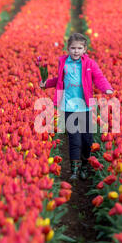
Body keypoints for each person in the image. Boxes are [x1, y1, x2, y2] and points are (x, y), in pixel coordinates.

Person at [39, 33, 114, 182]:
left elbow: (99, 77)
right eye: (73, 48)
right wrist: (46, 84)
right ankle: (75, 170)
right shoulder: (64, 63)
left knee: (87, 140)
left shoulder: (89, 64)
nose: (76, 51)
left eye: (79, 48)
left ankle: (85, 165)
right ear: (68, 49)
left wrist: (106, 88)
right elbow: (59, 80)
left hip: (85, 108)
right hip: (68, 107)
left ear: (85, 49)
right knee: (74, 140)